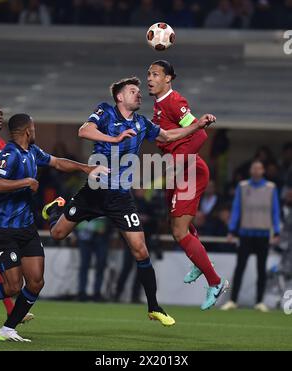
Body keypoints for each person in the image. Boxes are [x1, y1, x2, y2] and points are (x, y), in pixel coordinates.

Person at [42, 76, 215, 326]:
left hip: (121, 197)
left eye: (138, 91)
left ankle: (154, 307)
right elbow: (83, 131)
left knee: (140, 250)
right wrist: (113, 139)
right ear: (120, 97)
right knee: (58, 234)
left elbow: (167, 136)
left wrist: (197, 126)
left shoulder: (142, 123)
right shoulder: (105, 111)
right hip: (94, 189)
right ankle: (60, 206)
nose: (139, 94)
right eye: (133, 91)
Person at [0, 113, 106, 342]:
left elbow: (57, 162)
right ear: (27, 131)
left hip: (27, 228)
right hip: (4, 230)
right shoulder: (9, 154)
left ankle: (8, 329)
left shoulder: (33, 152)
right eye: (33, 128)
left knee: (36, 282)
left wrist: (86, 168)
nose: (35, 131)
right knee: (13, 286)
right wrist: (25, 182)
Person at [147, 60, 229, 310]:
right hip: (179, 171)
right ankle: (198, 259)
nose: (150, 78)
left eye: (156, 74)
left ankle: (215, 282)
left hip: (189, 171)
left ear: (168, 79)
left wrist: (177, 163)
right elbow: (189, 129)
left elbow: (200, 134)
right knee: (178, 227)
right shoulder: (159, 104)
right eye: (148, 74)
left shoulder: (174, 101)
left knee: (180, 231)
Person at [0, 103, 33, 331]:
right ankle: (9, 310)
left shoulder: (3, 146)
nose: (0, 116)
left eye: (1, 112)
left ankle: (7, 311)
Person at [221, 160, 280, 312]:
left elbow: (275, 211)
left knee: (261, 269)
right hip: (245, 233)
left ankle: (259, 301)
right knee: (239, 267)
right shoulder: (242, 187)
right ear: (250, 170)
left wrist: (277, 232)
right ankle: (233, 300)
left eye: (259, 168)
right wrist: (232, 230)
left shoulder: (271, 188)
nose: (256, 170)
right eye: (254, 168)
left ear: (263, 171)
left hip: (263, 233)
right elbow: (236, 210)